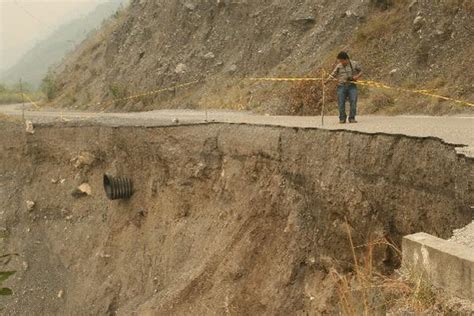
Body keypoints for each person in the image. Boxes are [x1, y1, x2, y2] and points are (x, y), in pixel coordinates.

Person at [328, 52, 362, 123]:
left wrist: (357, 77)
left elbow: (361, 71)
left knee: (353, 101)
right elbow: (332, 75)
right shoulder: (339, 66)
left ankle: (352, 118)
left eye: (342, 61)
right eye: (339, 61)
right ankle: (342, 118)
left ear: (346, 59)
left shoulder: (354, 64)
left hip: (352, 86)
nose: (341, 62)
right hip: (341, 86)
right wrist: (326, 81)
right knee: (341, 102)